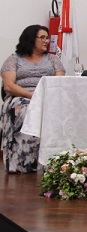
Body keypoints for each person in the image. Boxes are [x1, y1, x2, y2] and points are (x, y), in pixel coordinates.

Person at [1, 25, 65, 172]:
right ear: (30, 39)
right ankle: (21, 162)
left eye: (47, 38)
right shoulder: (13, 60)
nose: (47, 41)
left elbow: (59, 82)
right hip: (20, 97)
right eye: (42, 37)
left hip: (48, 97)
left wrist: (44, 96)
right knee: (26, 110)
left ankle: (52, 162)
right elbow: (9, 86)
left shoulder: (53, 59)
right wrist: (34, 96)